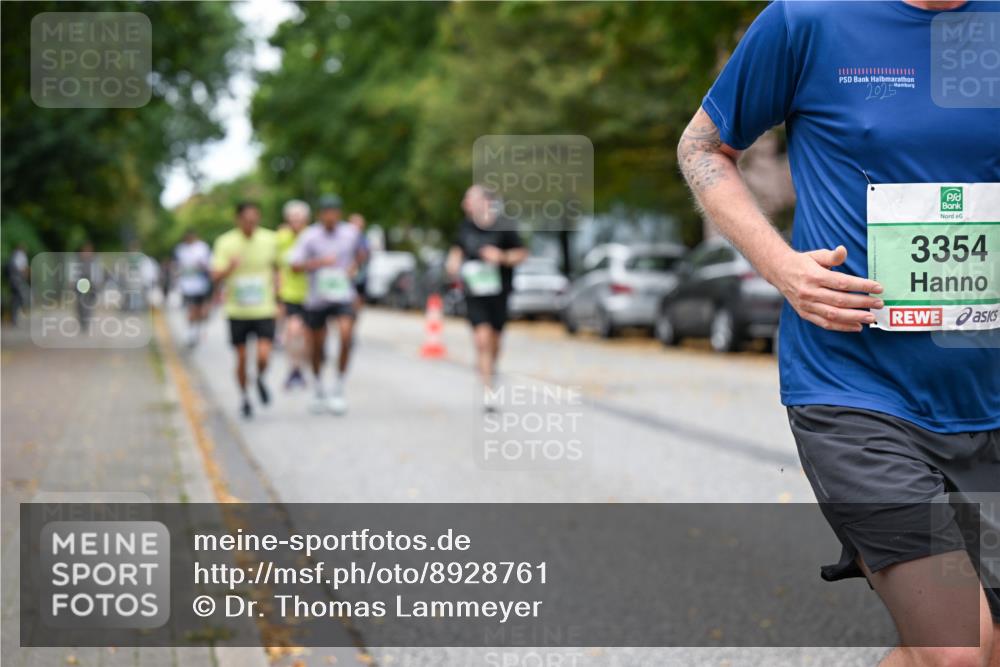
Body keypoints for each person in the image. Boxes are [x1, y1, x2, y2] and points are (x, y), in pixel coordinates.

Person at [680, 2, 999, 665]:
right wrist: (782, 268)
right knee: (962, 648)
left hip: (986, 391)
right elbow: (703, 146)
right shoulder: (810, 19)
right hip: (855, 389)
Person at [446, 185, 527, 411]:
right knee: (482, 340)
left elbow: (522, 254)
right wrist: (452, 263)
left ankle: (491, 369)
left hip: (500, 293)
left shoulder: (505, 226)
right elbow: (457, 249)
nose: (464, 204)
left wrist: (501, 256)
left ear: (484, 202)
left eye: (468, 199)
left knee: (495, 342)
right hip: (475, 293)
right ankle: (488, 390)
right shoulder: (466, 227)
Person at [289, 194, 366, 415]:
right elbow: (295, 265)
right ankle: (318, 387)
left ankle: (339, 387)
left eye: (334, 212)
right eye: (326, 213)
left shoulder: (350, 233)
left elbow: (362, 254)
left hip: (342, 295)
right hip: (317, 299)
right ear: (320, 215)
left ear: (339, 214)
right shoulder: (309, 236)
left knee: (345, 334)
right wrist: (319, 263)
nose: (331, 217)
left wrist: (354, 266)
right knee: (316, 346)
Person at [211, 201, 278, 419]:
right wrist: (230, 267)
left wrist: (280, 293)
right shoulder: (225, 242)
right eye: (247, 220)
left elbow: (278, 268)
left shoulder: (270, 239)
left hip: (264, 308)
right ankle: (245, 397)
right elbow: (215, 276)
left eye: (255, 219)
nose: (251, 224)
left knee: (264, 355)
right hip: (237, 311)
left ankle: (259, 378)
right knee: (240, 358)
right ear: (238, 219)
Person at [275, 200, 311, 389]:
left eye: (299, 218)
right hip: (289, 294)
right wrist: (277, 292)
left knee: (306, 337)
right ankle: (293, 369)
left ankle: (299, 370)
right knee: (292, 331)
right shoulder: (280, 238)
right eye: (292, 218)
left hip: (311, 294)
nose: (296, 222)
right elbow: (276, 266)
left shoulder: (312, 236)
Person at [173, 229, 213, 347]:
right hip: (186, 285)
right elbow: (177, 266)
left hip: (200, 285)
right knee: (192, 308)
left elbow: (208, 264)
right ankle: (190, 331)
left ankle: (196, 329)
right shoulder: (180, 249)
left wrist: (202, 266)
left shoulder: (203, 248)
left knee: (199, 310)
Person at [348, 213, 370, 313]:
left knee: (358, 298)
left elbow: (365, 255)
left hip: (359, 275)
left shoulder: (363, 239)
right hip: (345, 275)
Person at [5, 243, 29, 326]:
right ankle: (19, 315)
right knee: (21, 297)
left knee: (14, 299)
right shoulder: (21, 256)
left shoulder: (13, 255)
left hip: (12, 281)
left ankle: (14, 318)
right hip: (18, 281)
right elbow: (23, 268)